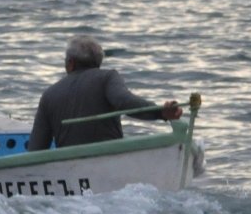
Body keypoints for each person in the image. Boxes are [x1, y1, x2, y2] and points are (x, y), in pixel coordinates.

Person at [28, 34, 182, 150]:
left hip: (70, 174)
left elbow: (36, 149)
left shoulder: (49, 95)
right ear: (99, 62)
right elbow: (124, 101)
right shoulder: (107, 77)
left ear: (70, 63)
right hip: (108, 160)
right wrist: (160, 113)